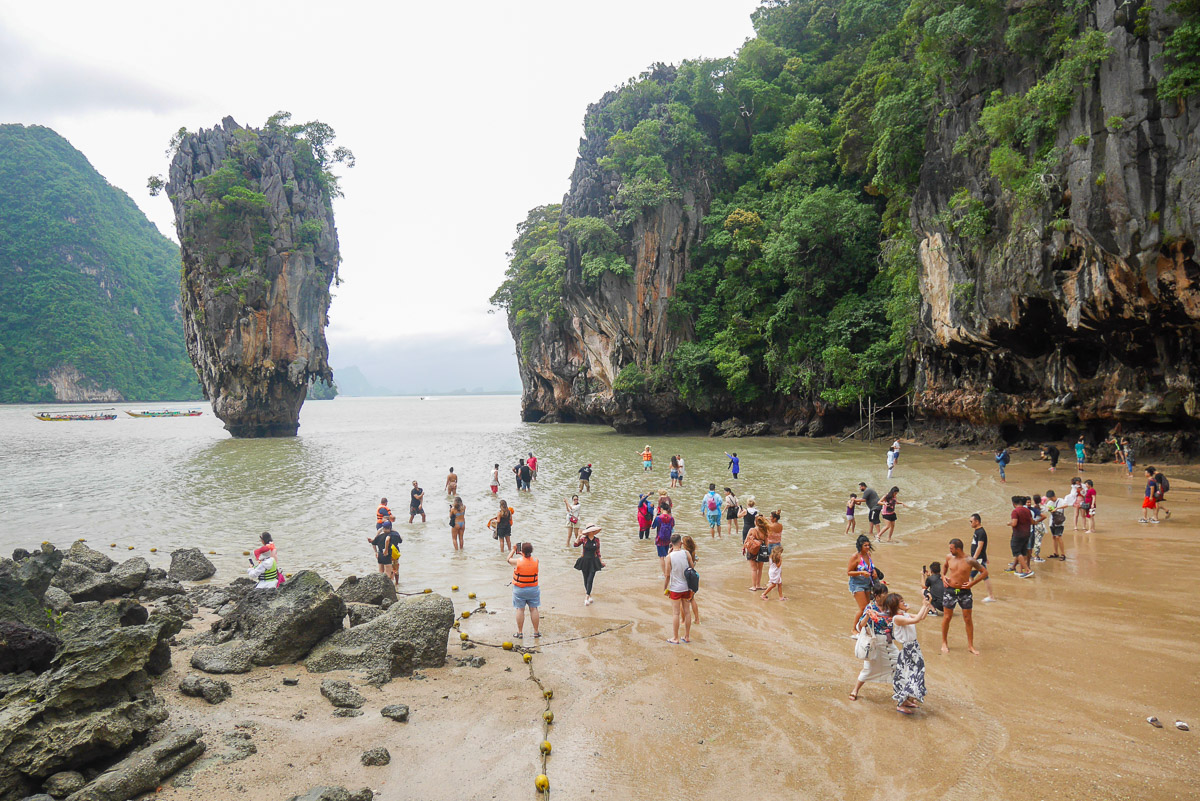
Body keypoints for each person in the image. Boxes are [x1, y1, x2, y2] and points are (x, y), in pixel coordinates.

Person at [849, 584, 897, 702]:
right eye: (883, 595)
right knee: (868, 669)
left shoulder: (889, 607)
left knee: (898, 665)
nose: (885, 597)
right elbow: (860, 626)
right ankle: (855, 690)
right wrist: (867, 615)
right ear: (876, 596)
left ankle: (902, 693)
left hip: (889, 642)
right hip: (875, 643)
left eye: (886, 594)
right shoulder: (870, 607)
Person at [940, 538, 988, 654]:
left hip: (964, 592)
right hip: (950, 590)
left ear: (958, 549)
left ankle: (970, 646)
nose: (950, 550)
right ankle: (944, 642)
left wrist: (972, 583)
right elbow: (945, 567)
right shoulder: (949, 557)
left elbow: (984, 572)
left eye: (951, 548)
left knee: (967, 618)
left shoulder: (970, 560)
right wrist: (943, 577)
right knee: (947, 617)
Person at [887, 592, 931, 714]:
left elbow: (921, 617)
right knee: (912, 673)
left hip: (914, 647)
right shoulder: (897, 618)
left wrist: (927, 604)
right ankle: (901, 703)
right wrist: (923, 604)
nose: (904, 602)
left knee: (914, 673)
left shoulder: (904, 615)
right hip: (909, 649)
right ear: (896, 605)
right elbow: (916, 619)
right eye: (901, 601)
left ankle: (906, 700)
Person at [664, 533, 694, 644]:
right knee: (687, 612)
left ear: (671, 544)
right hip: (686, 587)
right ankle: (686, 636)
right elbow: (692, 567)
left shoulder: (669, 557)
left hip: (675, 588)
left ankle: (675, 638)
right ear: (680, 543)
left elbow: (667, 575)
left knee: (676, 613)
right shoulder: (686, 553)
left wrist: (665, 588)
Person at [508, 542, 540, 638]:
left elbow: (508, 559)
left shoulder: (517, 561)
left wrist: (513, 550)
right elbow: (528, 561)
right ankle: (536, 632)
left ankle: (520, 632)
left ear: (522, 551)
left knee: (520, 609)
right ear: (531, 551)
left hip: (520, 589)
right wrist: (523, 554)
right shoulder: (536, 561)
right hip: (533, 589)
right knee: (534, 609)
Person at [847, 535, 876, 631]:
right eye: (865, 545)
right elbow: (849, 572)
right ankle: (854, 629)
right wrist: (861, 572)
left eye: (868, 545)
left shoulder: (868, 555)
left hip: (867, 583)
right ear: (860, 546)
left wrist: (874, 571)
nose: (868, 547)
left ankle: (863, 626)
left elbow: (870, 567)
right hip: (857, 584)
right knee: (863, 608)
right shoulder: (855, 556)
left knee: (868, 607)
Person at [572, 523, 605, 605]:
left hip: (594, 561)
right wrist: (579, 536)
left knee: (590, 579)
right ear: (588, 531)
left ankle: (586, 597)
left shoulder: (597, 540)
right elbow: (575, 545)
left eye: (594, 530)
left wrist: (601, 561)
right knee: (586, 579)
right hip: (584, 561)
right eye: (592, 530)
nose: (593, 531)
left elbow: (598, 552)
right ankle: (589, 595)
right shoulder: (584, 539)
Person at [968, 513, 996, 601]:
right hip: (979, 558)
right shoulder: (977, 531)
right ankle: (968, 594)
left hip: (978, 559)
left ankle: (991, 596)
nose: (970, 523)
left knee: (984, 576)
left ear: (977, 521)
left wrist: (974, 558)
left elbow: (980, 546)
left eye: (971, 521)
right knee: (970, 575)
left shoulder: (981, 532)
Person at [1006, 496, 1034, 578]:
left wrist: (1009, 523)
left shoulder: (1015, 511)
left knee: (1017, 552)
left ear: (1014, 504)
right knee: (1023, 552)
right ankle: (1021, 570)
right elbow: (1032, 521)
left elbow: (1014, 523)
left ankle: (1027, 570)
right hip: (1027, 533)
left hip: (1018, 534)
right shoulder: (1027, 510)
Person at [367, 521, 402, 585]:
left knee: (381, 573)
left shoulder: (380, 535)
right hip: (392, 554)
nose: (385, 529)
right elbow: (391, 540)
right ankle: (395, 584)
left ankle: (383, 586)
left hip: (381, 554)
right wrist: (386, 550)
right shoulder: (395, 534)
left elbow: (373, 543)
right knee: (393, 571)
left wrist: (376, 552)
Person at [745, 514, 770, 591]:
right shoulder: (765, 531)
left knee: (753, 569)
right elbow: (767, 543)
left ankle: (754, 586)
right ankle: (758, 585)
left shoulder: (752, 530)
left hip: (752, 551)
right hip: (761, 551)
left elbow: (746, 541)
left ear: (755, 522)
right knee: (760, 569)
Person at [651, 499, 675, 577]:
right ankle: (670, 572)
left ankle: (665, 574)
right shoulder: (671, 518)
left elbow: (653, 527)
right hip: (668, 539)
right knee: (669, 556)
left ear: (661, 509)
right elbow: (672, 526)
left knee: (661, 557)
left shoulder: (659, 518)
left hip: (660, 539)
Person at [681, 535, 701, 624]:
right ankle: (697, 619)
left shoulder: (684, 553)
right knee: (692, 599)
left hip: (686, 577)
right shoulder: (693, 553)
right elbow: (697, 560)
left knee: (683, 600)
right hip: (693, 576)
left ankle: (683, 620)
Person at [1045, 491, 1066, 560]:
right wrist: (1049, 509)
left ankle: (1063, 554)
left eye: (1051, 498)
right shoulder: (1049, 503)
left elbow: (1066, 505)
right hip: (1052, 522)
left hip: (1059, 522)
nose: (1050, 499)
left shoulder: (1061, 500)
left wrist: (1057, 508)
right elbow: (1047, 508)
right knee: (1054, 537)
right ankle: (1056, 553)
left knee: (1058, 537)